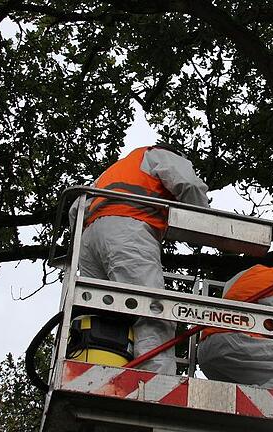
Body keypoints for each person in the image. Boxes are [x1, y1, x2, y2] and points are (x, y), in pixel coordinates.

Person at [70, 145, 209, 375]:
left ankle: (96, 374)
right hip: (127, 230)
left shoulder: (111, 171)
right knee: (153, 311)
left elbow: (76, 210)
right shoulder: (158, 154)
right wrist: (202, 225)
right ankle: (154, 384)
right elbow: (189, 184)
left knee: (102, 315)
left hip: (89, 240)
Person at [197, 256, 273, 392]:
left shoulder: (253, 271)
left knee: (241, 391)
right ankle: (248, 406)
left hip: (207, 348)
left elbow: (229, 291)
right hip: (237, 343)